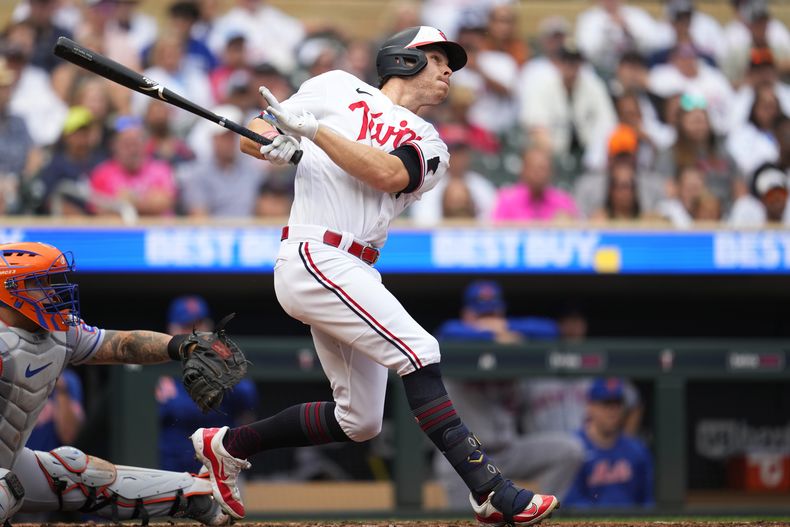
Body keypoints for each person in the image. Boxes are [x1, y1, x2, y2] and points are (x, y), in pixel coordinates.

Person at [190, 26, 560, 526]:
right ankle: (489, 489)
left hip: (354, 265)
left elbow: (387, 173)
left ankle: (228, 446)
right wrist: (271, 143)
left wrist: (315, 133)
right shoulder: (335, 85)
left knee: (359, 421)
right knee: (420, 351)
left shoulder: (431, 144)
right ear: (405, 59)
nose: (448, 70)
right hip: (315, 251)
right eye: (437, 58)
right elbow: (256, 135)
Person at [0, 241, 230, 525]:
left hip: (9, 464)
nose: (53, 292)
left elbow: (121, 345)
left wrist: (181, 345)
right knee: (4, 488)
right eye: (41, 283)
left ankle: (194, 497)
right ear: (10, 289)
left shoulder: (61, 331)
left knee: (76, 471)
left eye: (52, 281)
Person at [433, 281, 584, 510]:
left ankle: (533, 514)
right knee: (469, 523)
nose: (490, 320)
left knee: (569, 450)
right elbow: (447, 331)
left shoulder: (510, 337)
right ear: (467, 315)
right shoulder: (455, 340)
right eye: (482, 315)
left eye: (494, 314)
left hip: (509, 451)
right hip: (465, 459)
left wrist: (504, 328)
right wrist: (489, 333)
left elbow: (550, 330)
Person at [158, 296, 258, 473]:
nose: (194, 332)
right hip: (173, 465)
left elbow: (247, 395)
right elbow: (162, 413)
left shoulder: (221, 352)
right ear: (172, 329)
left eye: (199, 324)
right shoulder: (159, 359)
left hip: (220, 462)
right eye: (186, 325)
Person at [564, 377, 654, 508]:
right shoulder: (573, 448)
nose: (613, 411)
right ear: (590, 406)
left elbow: (648, 501)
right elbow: (571, 502)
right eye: (606, 404)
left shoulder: (637, 450)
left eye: (617, 404)